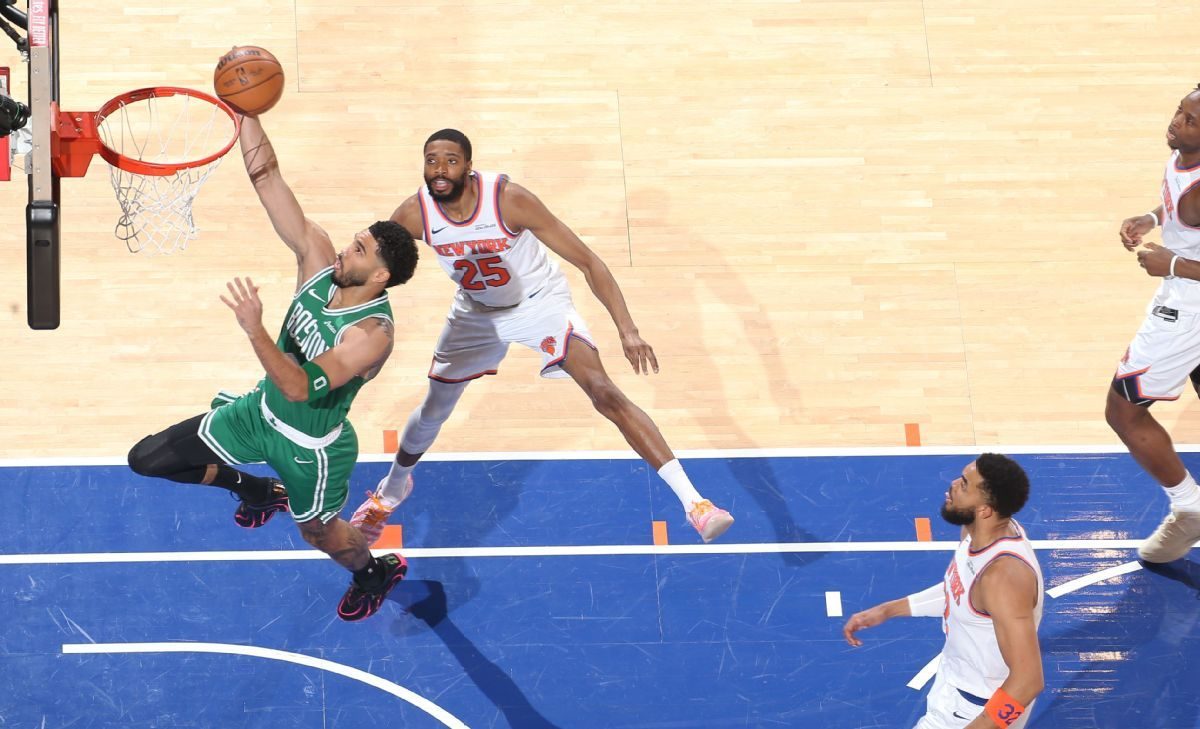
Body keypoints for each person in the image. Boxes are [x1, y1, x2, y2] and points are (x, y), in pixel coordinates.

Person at [349, 129, 734, 544]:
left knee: (604, 391)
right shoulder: (413, 214)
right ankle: (392, 491)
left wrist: (628, 330)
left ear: (469, 166)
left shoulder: (509, 201)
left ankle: (696, 504)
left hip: (539, 304)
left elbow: (589, 261)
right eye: (431, 160)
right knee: (434, 410)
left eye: (451, 160)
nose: (440, 170)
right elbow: (377, 271)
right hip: (476, 314)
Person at [126, 115, 420, 622]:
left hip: (311, 450)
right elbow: (267, 178)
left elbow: (300, 386)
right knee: (148, 459)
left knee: (320, 535)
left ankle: (374, 571)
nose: (344, 250)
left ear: (380, 275)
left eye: (358, 250)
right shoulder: (318, 261)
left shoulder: (371, 336)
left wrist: (255, 328)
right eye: (353, 240)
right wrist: (244, 112)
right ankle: (257, 490)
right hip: (258, 415)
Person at [842, 454, 1043, 729]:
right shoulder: (978, 533)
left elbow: (1028, 681)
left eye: (964, 484)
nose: (952, 486)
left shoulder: (1004, 577)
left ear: (985, 509)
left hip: (976, 709)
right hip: (954, 685)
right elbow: (961, 592)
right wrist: (889, 610)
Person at [1110, 83, 1200, 564]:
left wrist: (1173, 265)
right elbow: (1178, 204)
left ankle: (1190, 506)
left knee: (1122, 411)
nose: (1177, 123)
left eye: (1189, 121)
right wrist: (1150, 216)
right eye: (1179, 112)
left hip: (1189, 307)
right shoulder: (1185, 156)